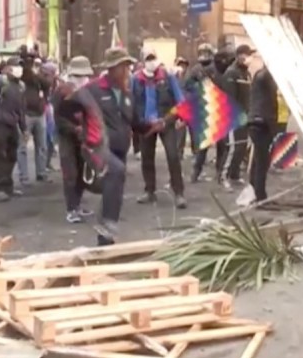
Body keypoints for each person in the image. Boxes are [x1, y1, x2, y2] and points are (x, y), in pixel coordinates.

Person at [86, 48, 164, 245]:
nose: (127, 72)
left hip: (120, 149)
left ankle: (105, 237)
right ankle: (108, 225)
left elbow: (135, 122)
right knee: (116, 173)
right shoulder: (93, 89)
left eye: (128, 67)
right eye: (123, 67)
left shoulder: (127, 93)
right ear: (112, 69)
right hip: (99, 148)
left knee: (114, 190)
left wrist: (152, 125)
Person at [132, 50, 187, 208]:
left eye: (153, 58)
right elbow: (133, 102)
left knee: (173, 156)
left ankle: (179, 193)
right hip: (146, 124)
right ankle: (150, 191)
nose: (151, 62)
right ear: (143, 61)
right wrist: (136, 123)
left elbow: (180, 101)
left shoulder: (168, 77)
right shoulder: (136, 79)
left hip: (165, 122)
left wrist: (172, 119)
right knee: (147, 158)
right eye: (148, 59)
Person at [53, 56, 102, 223]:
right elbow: (58, 118)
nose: (82, 79)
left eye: (84, 76)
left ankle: (78, 205)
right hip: (67, 137)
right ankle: (71, 209)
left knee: (82, 172)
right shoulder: (61, 92)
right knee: (70, 172)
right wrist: (74, 129)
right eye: (78, 76)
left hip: (83, 138)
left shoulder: (89, 91)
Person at [0, 57, 27, 202]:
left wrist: (24, 128)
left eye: (20, 66)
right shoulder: (1, 82)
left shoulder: (21, 86)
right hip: (0, 122)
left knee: (12, 155)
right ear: (7, 68)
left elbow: (21, 109)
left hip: (13, 124)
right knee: (0, 155)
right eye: (15, 66)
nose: (19, 69)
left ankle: (8, 186)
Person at [218, 44, 252, 189]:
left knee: (241, 146)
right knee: (232, 147)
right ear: (239, 56)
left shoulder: (246, 73)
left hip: (245, 115)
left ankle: (235, 175)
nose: (249, 58)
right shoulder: (231, 73)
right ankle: (223, 177)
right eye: (247, 54)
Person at [18, 49, 53, 185]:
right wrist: (28, 66)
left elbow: (47, 84)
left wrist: (37, 71)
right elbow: (27, 77)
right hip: (25, 114)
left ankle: (41, 173)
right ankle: (24, 177)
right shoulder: (23, 74)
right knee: (22, 147)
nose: (32, 62)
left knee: (42, 146)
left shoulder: (39, 75)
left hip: (39, 113)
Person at [186, 43, 220, 183]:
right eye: (202, 52)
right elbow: (187, 85)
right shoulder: (195, 70)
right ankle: (196, 172)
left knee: (222, 144)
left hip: (217, 106)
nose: (204, 55)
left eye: (207, 52)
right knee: (204, 144)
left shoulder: (216, 69)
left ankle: (219, 173)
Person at [247, 56, 278, 203]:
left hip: (257, 121)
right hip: (261, 122)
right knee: (262, 161)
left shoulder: (260, 76)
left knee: (259, 159)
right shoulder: (265, 76)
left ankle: (255, 189)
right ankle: (260, 194)